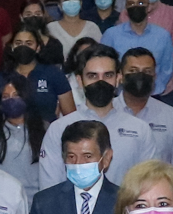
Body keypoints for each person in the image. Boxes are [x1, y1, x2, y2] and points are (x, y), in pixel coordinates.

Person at [39, 46, 155, 186]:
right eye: (92, 76)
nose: (101, 82)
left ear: (118, 78)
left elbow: (148, 184)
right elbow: (50, 187)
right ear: (80, 81)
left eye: (108, 75)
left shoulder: (140, 130)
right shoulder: (59, 129)